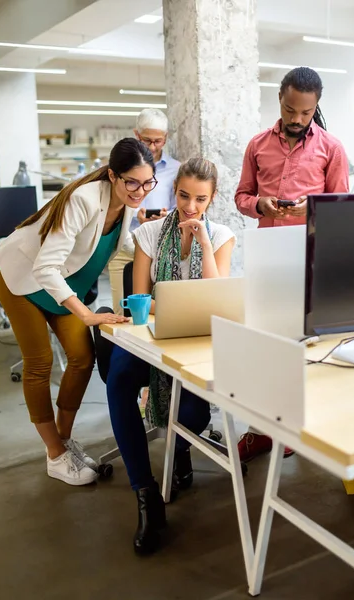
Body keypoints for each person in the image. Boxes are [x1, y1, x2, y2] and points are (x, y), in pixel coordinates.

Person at [0, 138, 156, 486]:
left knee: (82, 358)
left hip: (62, 284)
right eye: (133, 182)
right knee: (40, 362)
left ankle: (64, 441)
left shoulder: (127, 203)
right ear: (113, 176)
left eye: (148, 182)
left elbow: (122, 243)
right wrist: (85, 315)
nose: (141, 191)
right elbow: (45, 267)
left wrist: (157, 247)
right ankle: (55, 454)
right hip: (23, 277)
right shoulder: (84, 200)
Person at [106, 158, 236, 555]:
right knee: (120, 379)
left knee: (195, 414)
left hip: (196, 338)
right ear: (173, 190)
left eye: (200, 199)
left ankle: (178, 452)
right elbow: (140, 300)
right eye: (183, 195)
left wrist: (203, 245)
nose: (190, 206)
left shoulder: (224, 235)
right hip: (151, 336)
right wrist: (160, 309)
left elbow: (217, 299)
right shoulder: (147, 233)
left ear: (211, 199)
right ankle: (146, 494)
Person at [235, 66, 349, 463]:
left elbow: (342, 207)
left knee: (307, 348)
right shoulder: (256, 145)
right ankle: (260, 430)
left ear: (316, 107)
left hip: (310, 260)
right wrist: (259, 205)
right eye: (290, 110)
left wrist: (312, 207)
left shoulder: (331, 147)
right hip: (267, 259)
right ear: (279, 100)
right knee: (265, 346)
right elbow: (241, 196)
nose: (297, 120)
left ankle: (297, 427)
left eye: (305, 113)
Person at [108, 108, 180, 313]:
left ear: (165, 138)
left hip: (160, 249)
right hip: (125, 245)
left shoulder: (176, 169)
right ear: (136, 135)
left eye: (159, 141)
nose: (153, 146)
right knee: (124, 312)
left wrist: (164, 219)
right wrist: (134, 218)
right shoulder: (121, 166)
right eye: (147, 140)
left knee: (156, 311)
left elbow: (180, 209)